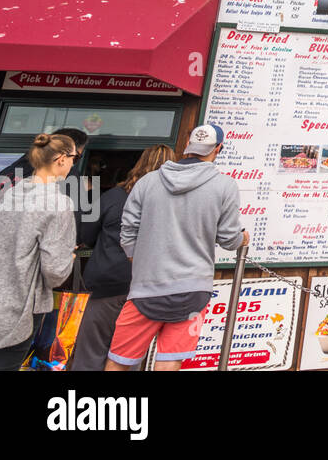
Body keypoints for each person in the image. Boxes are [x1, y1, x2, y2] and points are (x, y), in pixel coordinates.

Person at [105, 124, 245, 371]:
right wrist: (242, 238)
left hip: (145, 289)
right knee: (170, 360)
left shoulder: (148, 181)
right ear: (218, 149)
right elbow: (229, 239)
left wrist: (137, 260)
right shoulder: (225, 186)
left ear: (186, 147)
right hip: (193, 290)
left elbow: (127, 229)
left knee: (120, 360)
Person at [71, 144, 176, 371]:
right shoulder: (174, 202)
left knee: (91, 352)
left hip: (107, 283)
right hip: (149, 287)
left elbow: (86, 234)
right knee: (129, 357)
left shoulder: (116, 196)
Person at [0, 134, 78, 370]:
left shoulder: (6, 194)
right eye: (74, 157)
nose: (74, 163)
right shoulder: (58, 203)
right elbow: (54, 272)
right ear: (61, 159)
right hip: (20, 306)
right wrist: (68, 258)